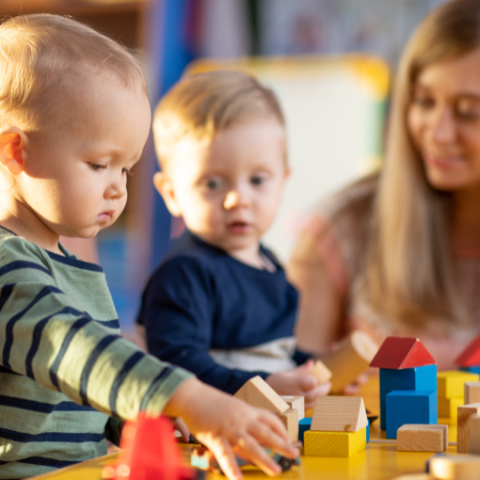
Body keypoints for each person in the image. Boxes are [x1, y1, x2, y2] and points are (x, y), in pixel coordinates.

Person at [0, 15, 299, 480]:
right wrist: (193, 399)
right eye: (100, 164)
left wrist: (151, 421)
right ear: (17, 152)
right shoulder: (8, 266)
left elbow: (90, 395)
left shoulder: (66, 264)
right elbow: (76, 351)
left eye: (127, 169)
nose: (118, 189)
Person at [288, 0, 480, 370]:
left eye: (468, 111)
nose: (437, 133)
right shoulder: (339, 232)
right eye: (423, 102)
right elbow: (283, 394)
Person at [137, 71, 331, 407]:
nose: (238, 199)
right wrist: (269, 385)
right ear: (171, 193)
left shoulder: (270, 264)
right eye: (212, 184)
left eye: (257, 180)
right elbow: (179, 368)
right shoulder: (184, 275)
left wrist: (314, 369)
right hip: (208, 437)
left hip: (267, 425)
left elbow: (274, 351)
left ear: (282, 182)